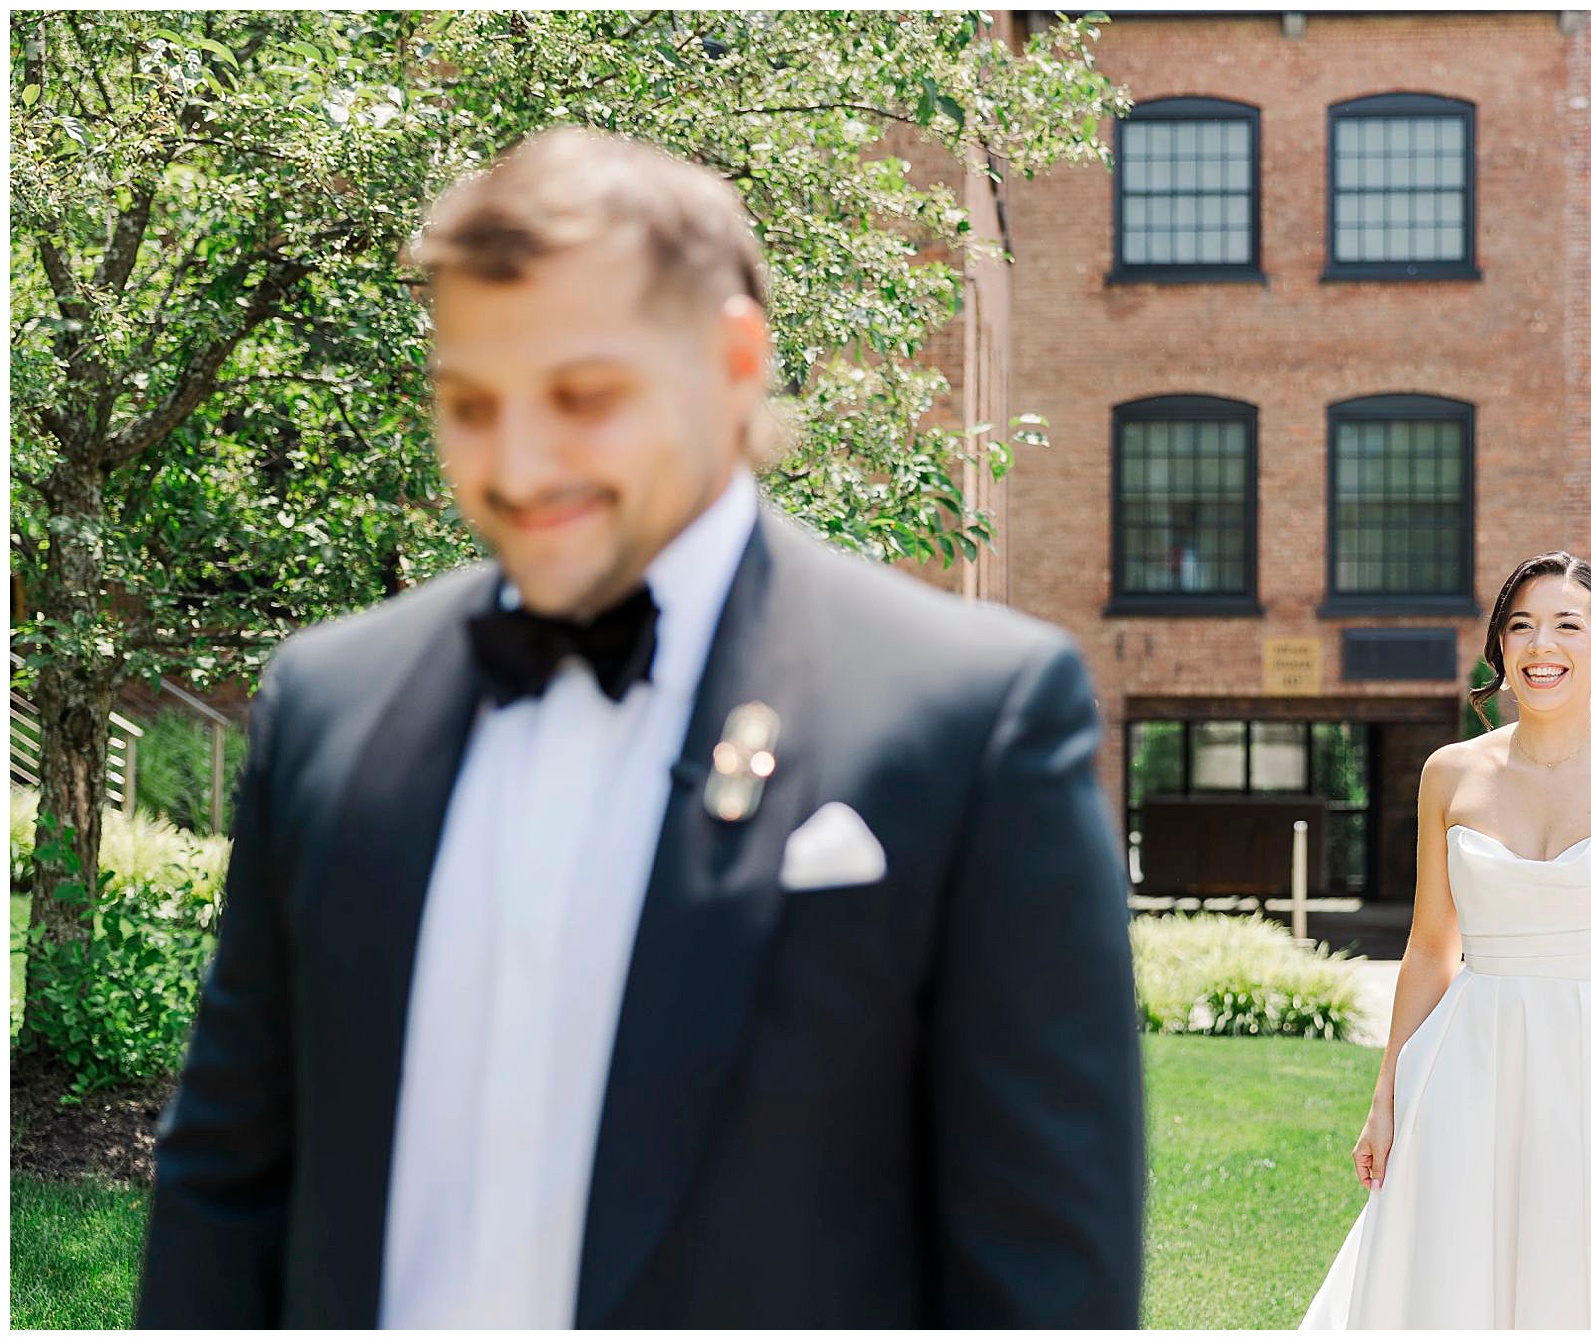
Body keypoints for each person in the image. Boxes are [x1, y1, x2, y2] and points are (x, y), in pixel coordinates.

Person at [135, 126, 1144, 1329]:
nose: (515, 463)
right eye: (469, 403)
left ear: (732, 361)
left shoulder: (971, 721)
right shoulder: (327, 702)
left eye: (583, 394)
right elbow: (222, 1194)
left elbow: (1044, 1283)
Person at [1300, 550, 1591, 1329]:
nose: (1541, 646)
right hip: (1470, 1070)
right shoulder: (1449, 775)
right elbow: (1428, 949)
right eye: (1521, 626)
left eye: (1566, 626)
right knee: (1459, 1280)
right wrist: (1384, 1098)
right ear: (1500, 650)